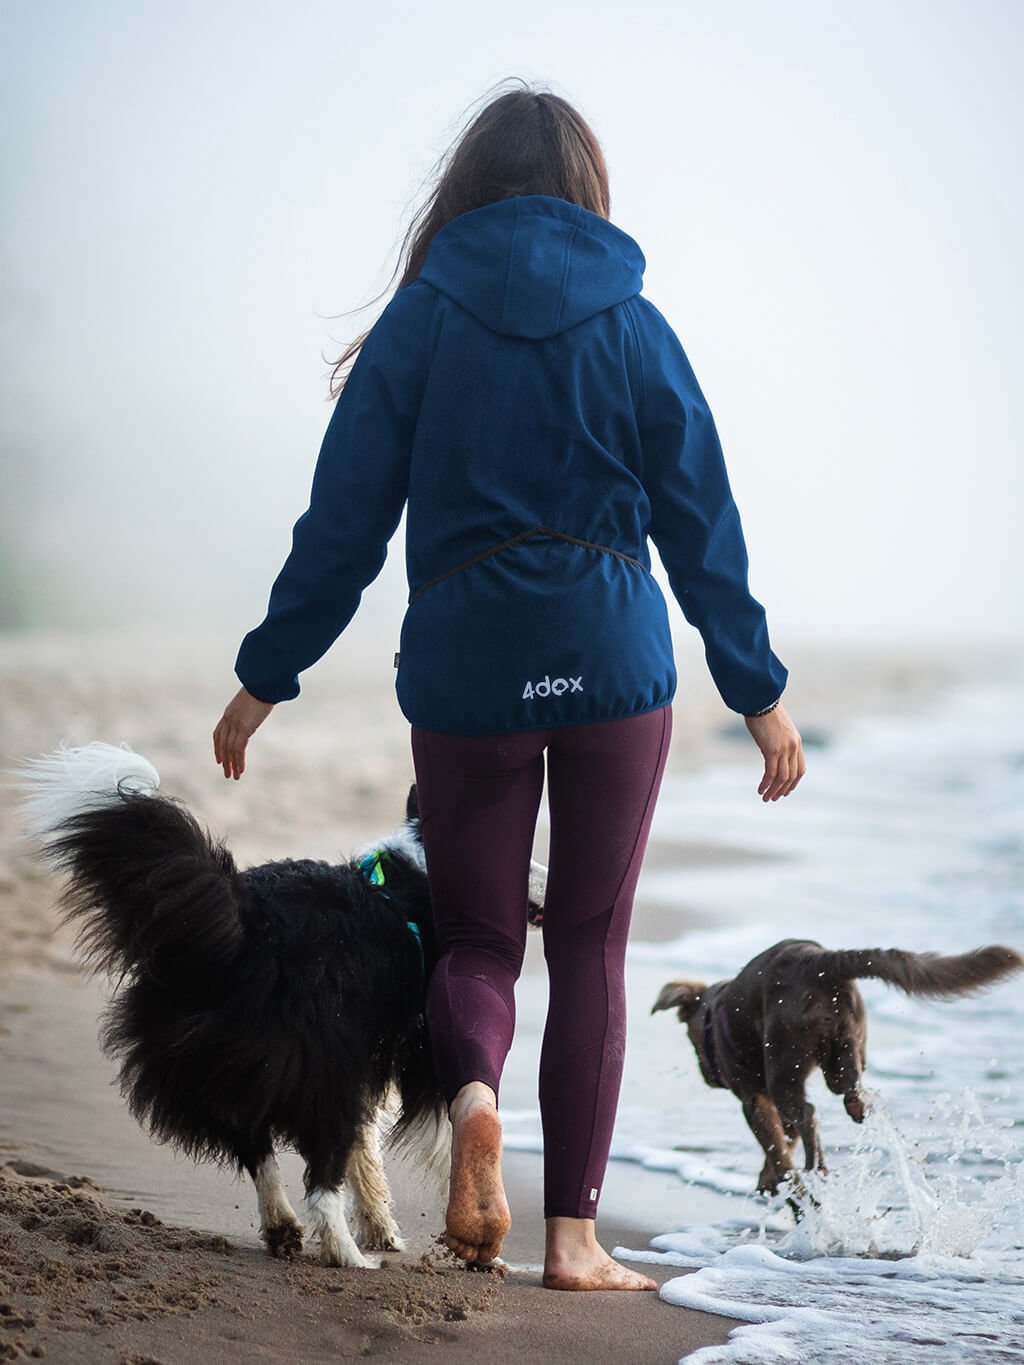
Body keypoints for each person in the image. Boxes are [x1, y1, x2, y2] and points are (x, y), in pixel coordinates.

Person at [213, 81, 805, 1292]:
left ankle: (474, 1098)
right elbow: (702, 519)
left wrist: (265, 676)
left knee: (477, 939)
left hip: (466, 667)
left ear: (465, 189)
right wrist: (757, 689)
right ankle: (572, 1241)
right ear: (587, 187)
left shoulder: (421, 322)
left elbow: (345, 524)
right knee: (587, 946)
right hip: (612, 662)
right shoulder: (636, 324)